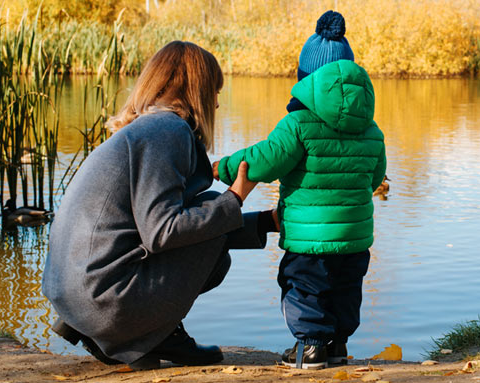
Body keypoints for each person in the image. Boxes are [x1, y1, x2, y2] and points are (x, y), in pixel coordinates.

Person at [42, 41, 277, 371]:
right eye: (214, 91)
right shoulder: (169, 130)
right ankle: (158, 336)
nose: (219, 104)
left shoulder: (146, 128)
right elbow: (163, 232)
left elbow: (154, 228)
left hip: (77, 296)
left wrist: (267, 221)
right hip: (104, 299)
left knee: (209, 211)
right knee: (213, 212)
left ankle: (134, 338)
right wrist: (235, 197)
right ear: (196, 90)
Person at [214, 10, 386, 370]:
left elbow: (262, 161)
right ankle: (336, 346)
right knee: (345, 289)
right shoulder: (371, 130)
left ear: (306, 80)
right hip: (355, 237)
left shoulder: (298, 124)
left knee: (304, 287)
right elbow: (374, 179)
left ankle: (310, 348)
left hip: (308, 238)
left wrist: (223, 167)